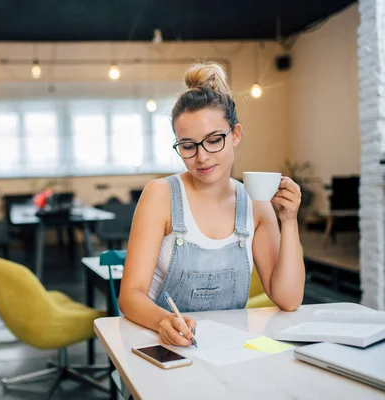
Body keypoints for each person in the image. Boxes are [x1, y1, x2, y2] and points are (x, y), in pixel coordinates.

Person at [118, 62, 305, 348]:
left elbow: (289, 300)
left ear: (236, 135)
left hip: (229, 349)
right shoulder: (160, 195)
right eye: (188, 146)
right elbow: (130, 295)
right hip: (164, 346)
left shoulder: (255, 205)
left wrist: (289, 221)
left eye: (213, 140)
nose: (202, 157)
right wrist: (162, 321)